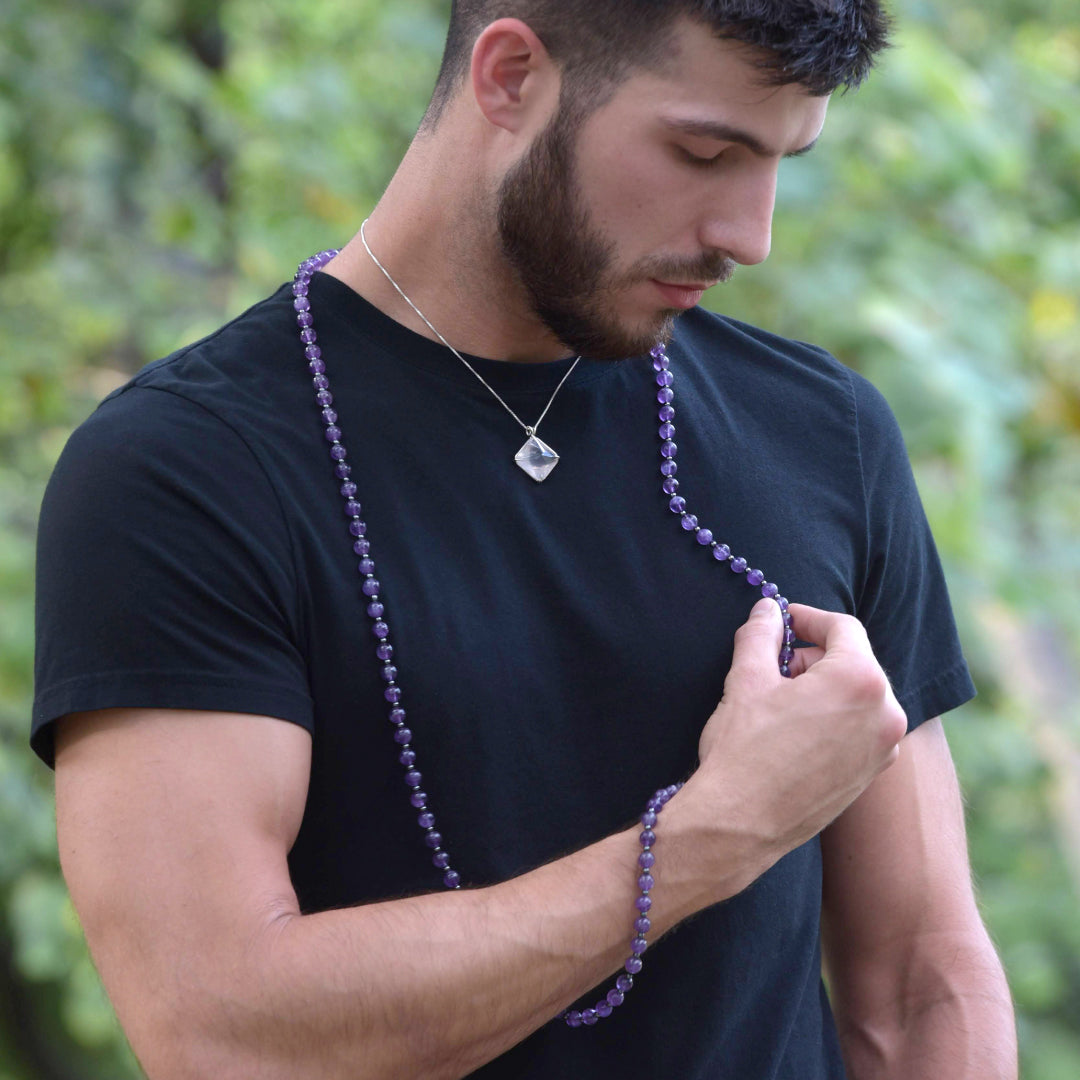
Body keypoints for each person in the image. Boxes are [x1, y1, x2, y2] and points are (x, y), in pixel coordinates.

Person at [33, 2, 1017, 1077]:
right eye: (703, 153)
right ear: (509, 77)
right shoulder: (185, 471)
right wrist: (710, 838)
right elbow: (223, 1036)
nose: (751, 235)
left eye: (786, 160)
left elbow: (921, 985)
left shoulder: (823, 431)